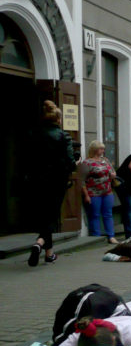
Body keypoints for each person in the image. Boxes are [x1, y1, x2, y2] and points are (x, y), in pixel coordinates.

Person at [29, 101, 77, 267]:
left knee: (44, 215)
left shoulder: (34, 134)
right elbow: (71, 162)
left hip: (37, 180)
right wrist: (75, 162)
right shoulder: (64, 136)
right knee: (52, 215)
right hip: (57, 180)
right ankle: (40, 242)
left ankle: (49, 254)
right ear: (58, 119)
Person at [79, 140, 118, 244]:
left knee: (108, 214)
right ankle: (96, 237)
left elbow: (112, 171)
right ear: (94, 149)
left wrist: (113, 175)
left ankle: (111, 236)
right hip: (93, 192)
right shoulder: (87, 163)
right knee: (94, 215)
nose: (103, 150)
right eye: (101, 148)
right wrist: (86, 195)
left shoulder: (105, 160)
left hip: (107, 191)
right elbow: (81, 180)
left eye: (103, 148)